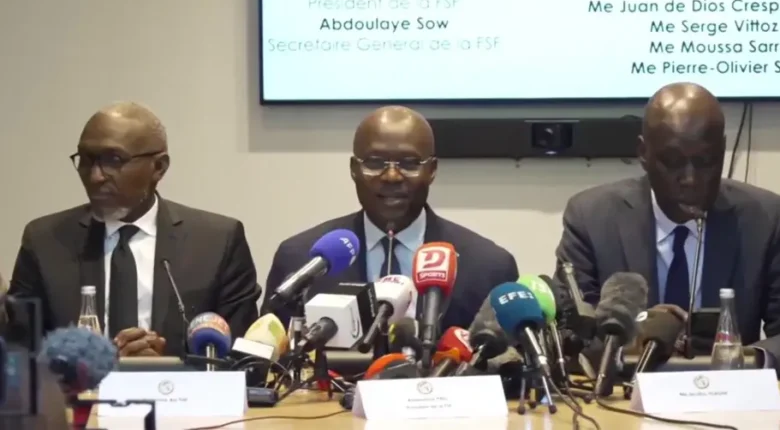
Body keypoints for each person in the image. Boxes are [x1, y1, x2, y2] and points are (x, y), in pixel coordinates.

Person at [7, 102, 261, 357]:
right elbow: (18, 357)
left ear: (159, 167)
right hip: (78, 395)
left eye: (113, 160)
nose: (95, 176)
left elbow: (244, 361)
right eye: (86, 160)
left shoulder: (217, 242)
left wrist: (165, 368)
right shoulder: (45, 242)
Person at [556, 82, 780, 346]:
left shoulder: (765, 218)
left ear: (722, 151)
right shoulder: (591, 218)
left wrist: (746, 361)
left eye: (705, 162)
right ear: (643, 153)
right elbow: (573, 332)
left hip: (726, 382)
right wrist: (635, 337)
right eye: (673, 162)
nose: (690, 179)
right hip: (626, 383)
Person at [262, 106, 518, 330]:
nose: (392, 177)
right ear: (354, 170)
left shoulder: (488, 268)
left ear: (432, 170)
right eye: (374, 163)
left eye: (409, 163)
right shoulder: (300, 259)